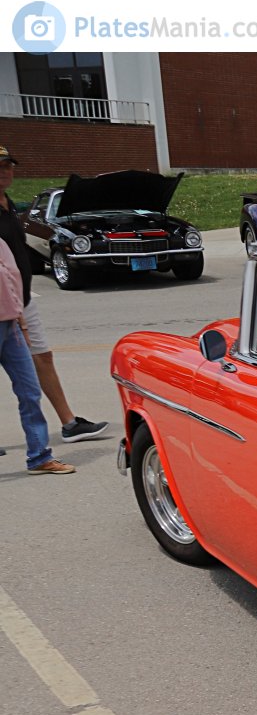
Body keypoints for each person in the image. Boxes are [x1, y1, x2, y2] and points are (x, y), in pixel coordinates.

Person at [0, 145, 108, 444]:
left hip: (22, 298)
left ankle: (70, 423)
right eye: (0, 167)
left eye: (8, 165)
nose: (5, 171)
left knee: (43, 357)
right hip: (4, 304)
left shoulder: (8, 204)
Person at [0, 226, 72, 474]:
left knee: (30, 391)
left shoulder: (1, 244)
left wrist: (22, 324)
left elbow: (13, 281)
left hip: (11, 328)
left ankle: (40, 457)